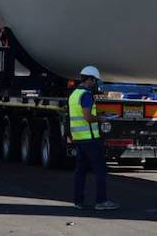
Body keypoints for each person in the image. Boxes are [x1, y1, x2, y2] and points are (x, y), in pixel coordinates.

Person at [69, 66, 119, 211]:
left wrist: (98, 113)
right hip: (90, 139)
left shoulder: (74, 94)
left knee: (80, 172)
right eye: (94, 80)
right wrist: (101, 119)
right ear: (89, 79)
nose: (95, 83)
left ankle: (78, 201)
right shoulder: (86, 95)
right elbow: (87, 116)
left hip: (78, 138)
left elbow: (80, 114)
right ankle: (101, 201)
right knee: (100, 170)